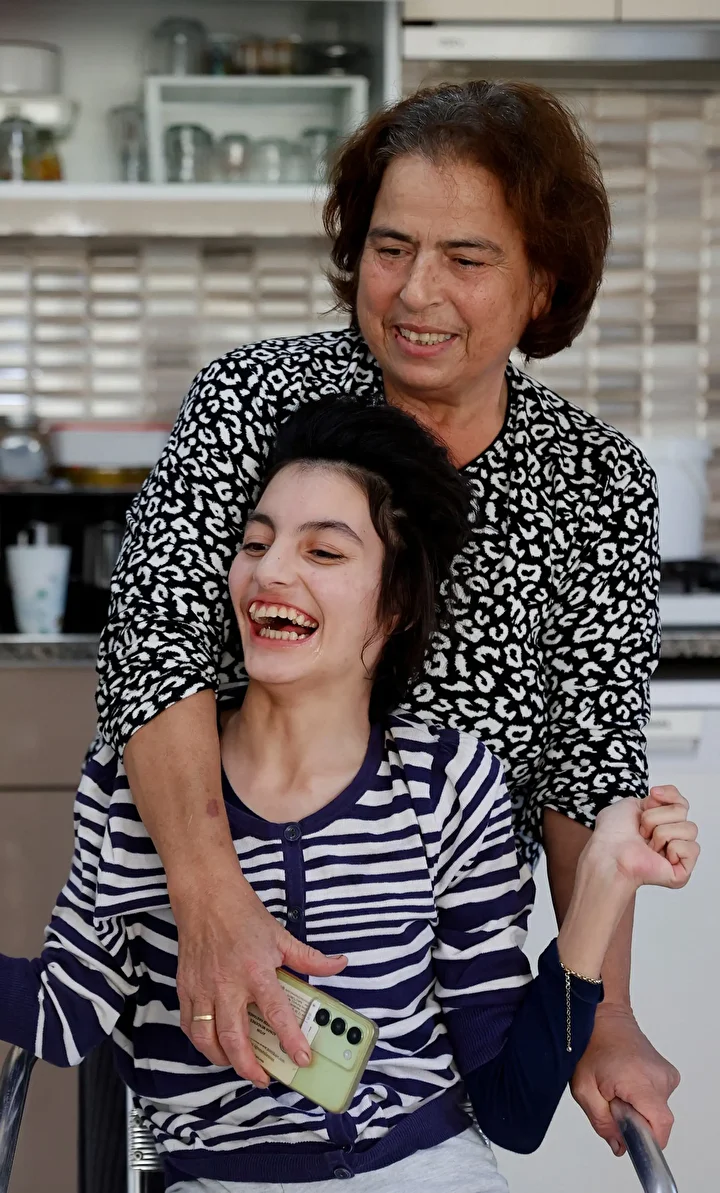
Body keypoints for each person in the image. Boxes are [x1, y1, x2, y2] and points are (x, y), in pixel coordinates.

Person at [95, 80, 677, 1154]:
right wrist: (212, 901)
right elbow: (154, 648)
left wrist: (606, 1013)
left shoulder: (596, 482)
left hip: (446, 998)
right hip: (221, 987)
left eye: (467, 258)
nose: (415, 291)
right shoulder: (251, 403)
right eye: (390, 246)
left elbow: (587, 765)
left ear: (542, 286)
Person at [0, 404, 699, 1193]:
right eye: (255, 543)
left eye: (323, 551)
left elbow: (513, 1108)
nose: (269, 572)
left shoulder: (448, 781)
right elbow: (62, 1015)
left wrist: (603, 885)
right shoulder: (137, 783)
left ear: (394, 604)